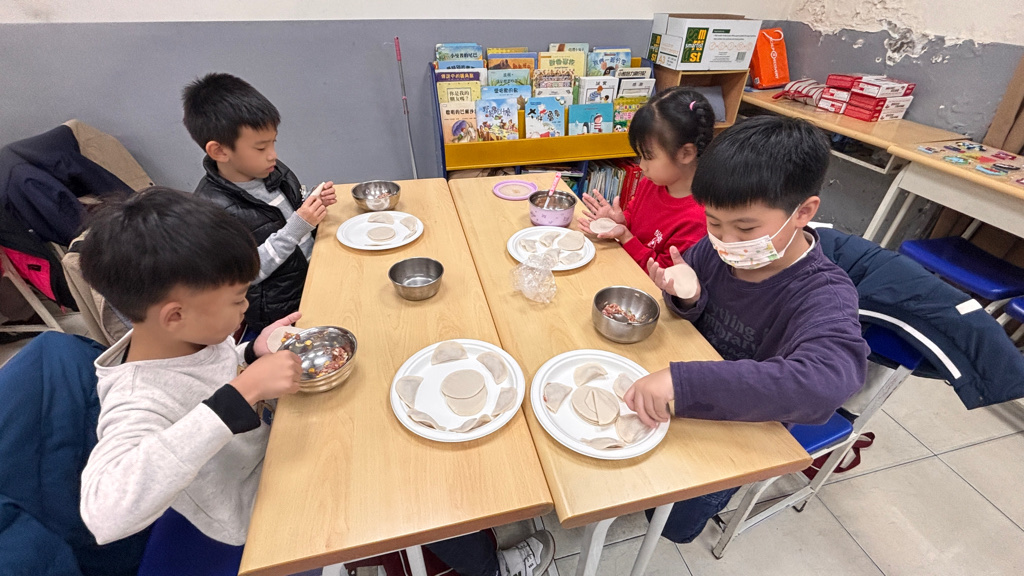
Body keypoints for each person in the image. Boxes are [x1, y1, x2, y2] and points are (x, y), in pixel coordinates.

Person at [78, 189, 552, 576]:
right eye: (238, 300)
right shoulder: (137, 398)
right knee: (413, 472)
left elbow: (210, 377)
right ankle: (487, 567)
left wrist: (250, 353)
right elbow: (105, 513)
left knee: (388, 411)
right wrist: (243, 391)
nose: (245, 307)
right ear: (174, 315)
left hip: (278, 447)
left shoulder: (187, 338)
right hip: (259, 510)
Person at [628, 116, 870, 544]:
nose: (726, 241)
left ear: (803, 212)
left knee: (673, 523)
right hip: (681, 404)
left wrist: (684, 382)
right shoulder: (715, 249)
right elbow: (692, 310)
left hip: (739, 432)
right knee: (640, 477)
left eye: (745, 228)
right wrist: (688, 297)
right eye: (713, 222)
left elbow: (826, 382)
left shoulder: (824, 294)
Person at [182, 72, 337, 333]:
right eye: (261, 148)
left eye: (273, 143)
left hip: (315, 275)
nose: (272, 155)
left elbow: (288, 210)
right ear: (219, 151)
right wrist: (297, 226)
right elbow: (244, 277)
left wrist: (313, 201)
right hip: (284, 311)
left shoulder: (271, 170)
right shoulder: (211, 212)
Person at [578, 87, 714, 269]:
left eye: (648, 156)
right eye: (640, 156)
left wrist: (625, 236)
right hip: (625, 267)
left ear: (686, 153)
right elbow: (635, 219)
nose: (642, 165)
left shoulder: (698, 219)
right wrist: (620, 221)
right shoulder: (651, 183)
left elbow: (665, 274)